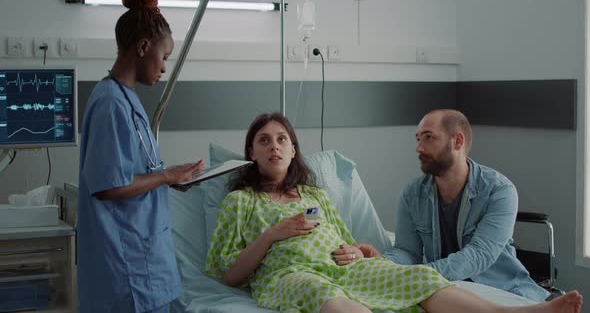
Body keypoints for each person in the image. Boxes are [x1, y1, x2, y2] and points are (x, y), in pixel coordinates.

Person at [205, 112, 582, 313]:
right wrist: (274, 233)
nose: (275, 146)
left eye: (282, 139)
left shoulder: (314, 194)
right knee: (326, 294)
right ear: (251, 153)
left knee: (417, 279)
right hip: (292, 275)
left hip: (345, 268)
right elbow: (228, 273)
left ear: (293, 150)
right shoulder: (241, 201)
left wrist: (357, 252)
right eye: (264, 140)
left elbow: (345, 242)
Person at [77, 0, 204, 312]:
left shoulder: (125, 100)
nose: (164, 67)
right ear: (144, 47)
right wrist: (165, 176)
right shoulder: (109, 104)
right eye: (164, 57)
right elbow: (108, 185)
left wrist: (171, 177)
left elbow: (134, 172)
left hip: (145, 261)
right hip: (128, 269)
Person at [353, 109, 549, 302]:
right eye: (418, 138)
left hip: (503, 288)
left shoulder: (499, 190)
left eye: (428, 137)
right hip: (446, 289)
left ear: (458, 141)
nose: (419, 148)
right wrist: (382, 262)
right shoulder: (412, 193)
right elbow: (407, 252)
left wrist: (416, 276)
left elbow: (479, 255)